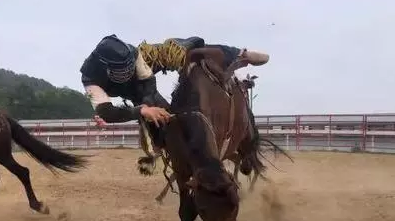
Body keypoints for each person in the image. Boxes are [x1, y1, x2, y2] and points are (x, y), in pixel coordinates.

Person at [82, 35, 269, 162]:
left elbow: (148, 82)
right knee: (157, 121)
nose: (128, 70)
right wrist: (143, 110)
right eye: (124, 69)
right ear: (106, 69)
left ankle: (239, 55)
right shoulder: (90, 80)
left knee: (181, 50)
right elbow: (105, 112)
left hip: (147, 65)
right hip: (128, 91)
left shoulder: (134, 53)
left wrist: (149, 104)